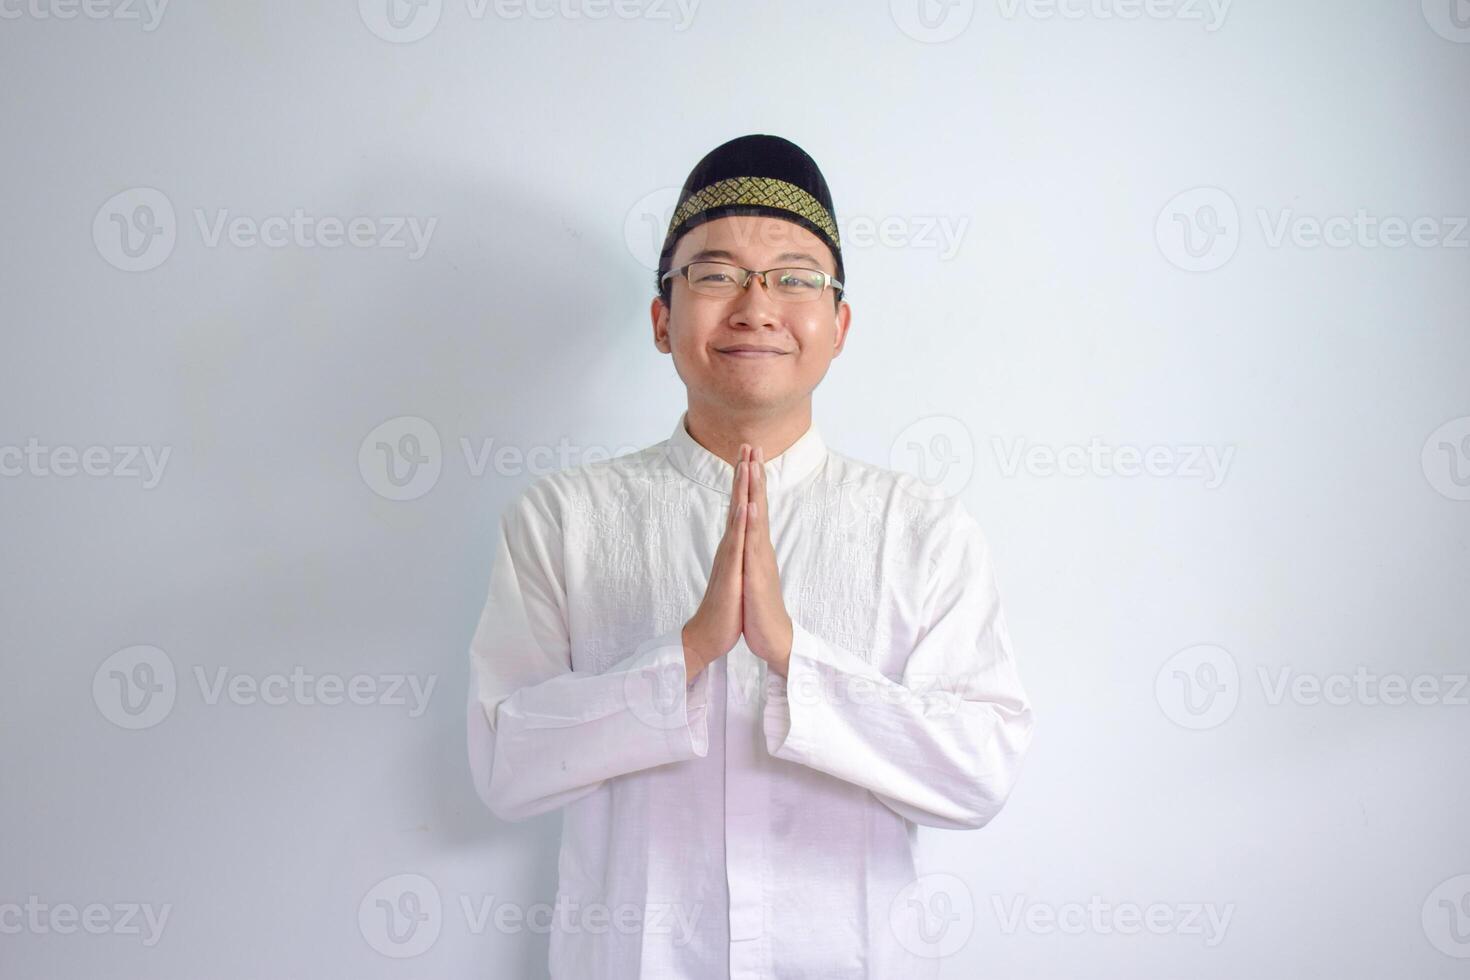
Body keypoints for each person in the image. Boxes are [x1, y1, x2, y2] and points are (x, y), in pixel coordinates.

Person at [466, 134, 1036, 979]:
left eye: (795, 277)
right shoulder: (562, 521)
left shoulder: (920, 530)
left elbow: (981, 774)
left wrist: (793, 657)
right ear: (663, 320)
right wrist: (687, 653)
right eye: (716, 273)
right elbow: (505, 766)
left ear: (838, 326)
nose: (756, 305)